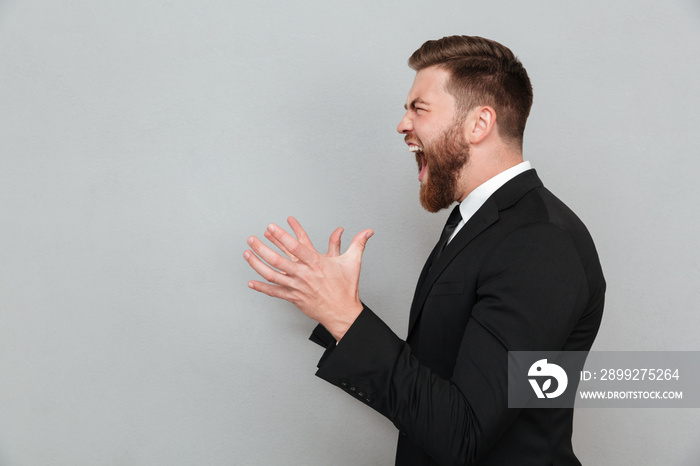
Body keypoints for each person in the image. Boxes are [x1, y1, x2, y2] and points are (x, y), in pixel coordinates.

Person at [243, 35, 605, 466]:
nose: (402, 124)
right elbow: (439, 377)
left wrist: (345, 316)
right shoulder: (475, 221)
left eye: (418, 108)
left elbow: (463, 435)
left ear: (478, 124)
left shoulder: (539, 242)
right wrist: (334, 309)